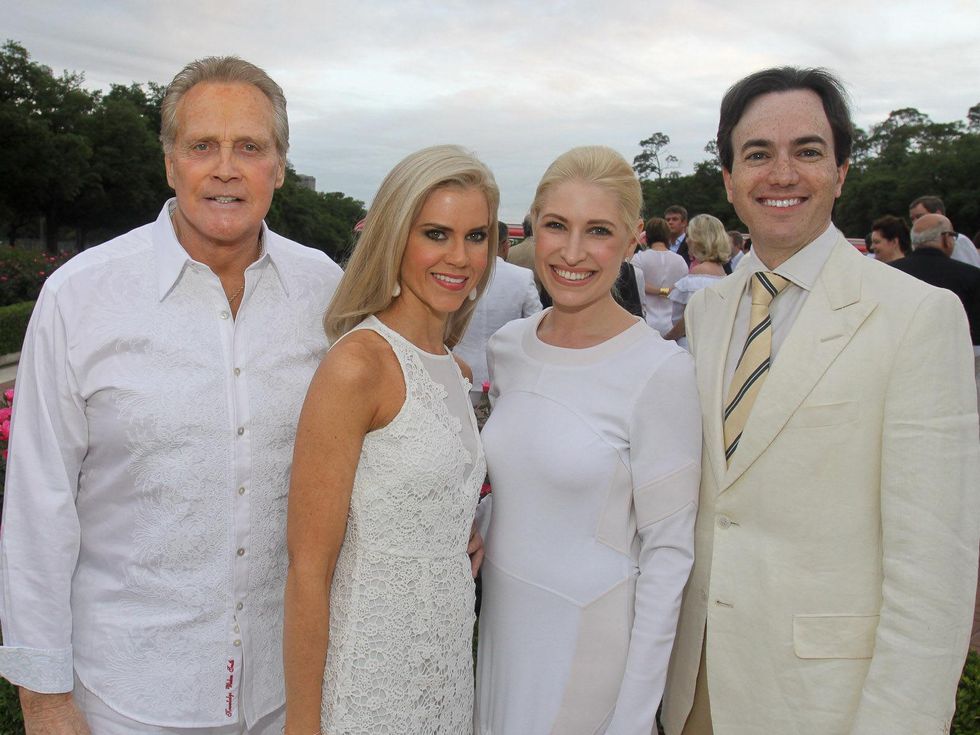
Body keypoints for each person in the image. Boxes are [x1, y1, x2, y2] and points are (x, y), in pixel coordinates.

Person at [0, 57, 343, 733]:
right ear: (169, 164)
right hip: (127, 697)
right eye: (201, 146)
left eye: (249, 146)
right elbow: (39, 506)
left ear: (277, 165)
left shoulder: (323, 293)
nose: (225, 168)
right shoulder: (81, 297)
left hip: (287, 693)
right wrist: (42, 697)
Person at [661, 66, 980, 735]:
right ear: (727, 179)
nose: (782, 174)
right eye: (757, 154)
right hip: (693, 694)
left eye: (807, 151)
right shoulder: (711, 312)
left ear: (841, 170)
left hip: (824, 704)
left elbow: (935, 568)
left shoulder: (917, 316)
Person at [474, 146, 701, 735]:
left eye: (597, 231)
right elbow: (525, 476)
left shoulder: (660, 371)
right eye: (557, 226)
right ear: (533, 232)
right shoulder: (508, 346)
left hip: (591, 651)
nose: (572, 253)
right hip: (502, 633)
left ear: (630, 243)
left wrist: (632, 716)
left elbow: (669, 555)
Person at [282, 145, 497, 735]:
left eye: (476, 236)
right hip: (369, 680)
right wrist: (302, 725)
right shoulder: (359, 365)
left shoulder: (452, 368)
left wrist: (458, 526)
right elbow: (307, 566)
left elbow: (420, 489)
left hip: (448, 667)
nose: (460, 257)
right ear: (396, 237)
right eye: (436, 233)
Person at [893, 213, 980, 398]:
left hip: (900, 367)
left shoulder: (889, 272)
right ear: (946, 238)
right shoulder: (972, 276)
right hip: (955, 369)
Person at [454, 221, 542, 404]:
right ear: (504, 245)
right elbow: (536, 323)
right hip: (507, 370)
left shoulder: (459, 272)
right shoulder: (522, 277)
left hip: (459, 367)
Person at [665, 214, 731, 349]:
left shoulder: (697, 278)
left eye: (689, 236)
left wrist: (666, 339)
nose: (687, 241)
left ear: (698, 240)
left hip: (691, 346)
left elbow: (686, 322)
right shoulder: (724, 275)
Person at [631, 216, 689, 335]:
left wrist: (659, 290)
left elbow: (636, 284)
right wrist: (666, 291)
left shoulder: (639, 258)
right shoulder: (680, 261)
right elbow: (683, 288)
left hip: (646, 321)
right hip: (671, 323)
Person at [909, 195, 980, 268]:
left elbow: (970, 270)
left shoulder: (959, 241)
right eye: (912, 219)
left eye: (919, 216)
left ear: (938, 214)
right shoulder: (917, 242)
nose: (915, 222)